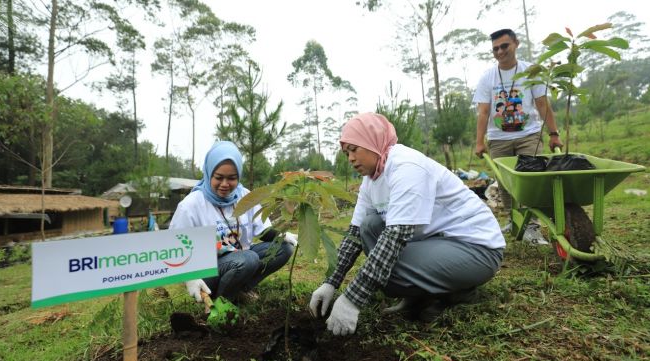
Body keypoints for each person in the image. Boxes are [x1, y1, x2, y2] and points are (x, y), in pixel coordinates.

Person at [308, 112, 506, 336]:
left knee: (384, 271)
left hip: (476, 249)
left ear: (372, 142)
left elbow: (396, 237)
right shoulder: (371, 179)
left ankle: (459, 291)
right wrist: (331, 283)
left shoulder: (406, 166)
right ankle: (420, 293)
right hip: (437, 243)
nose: (350, 158)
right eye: (346, 153)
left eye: (354, 149)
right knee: (370, 225)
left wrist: (352, 299)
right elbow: (354, 235)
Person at [170, 141, 297, 306]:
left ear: (239, 176)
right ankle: (223, 301)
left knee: (284, 248)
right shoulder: (191, 205)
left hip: (241, 258)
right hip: (208, 271)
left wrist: (282, 236)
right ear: (209, 173)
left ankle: (240, 289)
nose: (224, 184)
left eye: (231, 178)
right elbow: (174, 248)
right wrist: (189, 277)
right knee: (249, 258)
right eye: (218, 177)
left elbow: (262, 232)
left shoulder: (245, 197)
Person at [473, 28, 564, 244]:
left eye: (504, 46)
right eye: (495, 48)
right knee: (505, 182)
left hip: (528, 135)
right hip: (498, 138)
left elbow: (542, 104)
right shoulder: (488, 78)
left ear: (516, 44)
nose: (500, 51)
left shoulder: (530, 72)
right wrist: (479, 142)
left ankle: (531, 227)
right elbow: (484, 111)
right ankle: (515, 221)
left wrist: (553, 134)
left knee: (530, 179)